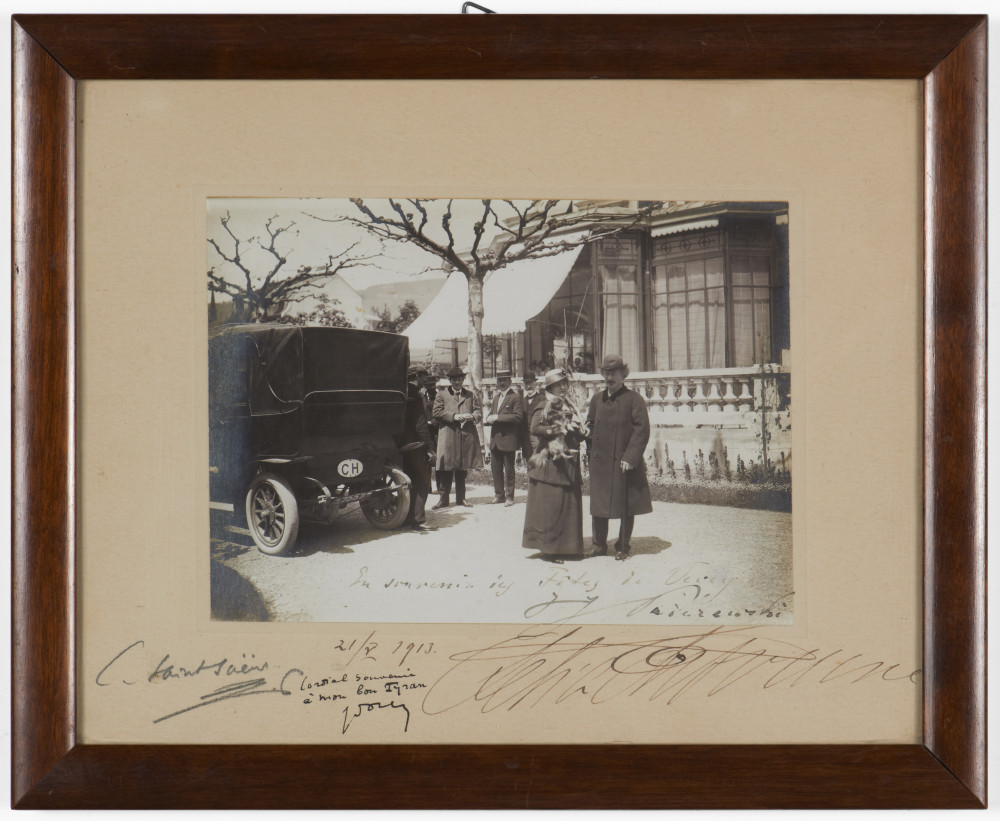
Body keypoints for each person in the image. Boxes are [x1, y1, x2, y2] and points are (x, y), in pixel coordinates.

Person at [585, 354, 653, 560]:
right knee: (598, 505)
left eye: (613, 373)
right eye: (606, 373)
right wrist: (586, 432)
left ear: (623, 374)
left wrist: (630, 457)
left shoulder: (634, 400)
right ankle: (599, 544)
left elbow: (642, 431)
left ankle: (623, 544)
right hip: (601, 462)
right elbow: (591, 424)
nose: (609, 377)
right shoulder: (597, 399)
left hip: (623, 462)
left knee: (626, 504)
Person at [522, 369, 587, 563]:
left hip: (568, 460)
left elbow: (574, 428)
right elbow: (535, 428)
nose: (563, 387)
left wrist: (581, 431)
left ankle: (569, 547)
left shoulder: (570, 404)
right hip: (551, 463)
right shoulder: (544, 403)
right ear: (550, 386)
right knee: (552, 505)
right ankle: (550, 549)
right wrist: (555, 430)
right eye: (559, 384)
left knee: (569, 503)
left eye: (565, 383)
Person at [432, 367, 482, 508]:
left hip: (465, 436)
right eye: (454, 380)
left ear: (463, 380)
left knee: (462, 469)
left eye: (459, 379)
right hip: (448, 436)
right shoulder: (442, 394)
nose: (457, 382)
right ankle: (443, 499)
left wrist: (472, 416)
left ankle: (461, 498)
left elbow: (478, 410)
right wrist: (454, 416)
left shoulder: (470, 395)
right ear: (450, 381)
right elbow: (436, 412)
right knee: (446, 469)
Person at [401, 366, 434, 528]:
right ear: (416, 377)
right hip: (415, 444)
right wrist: (429, 447)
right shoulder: (415, 395)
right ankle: (417, 518)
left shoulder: (397, 393)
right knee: (422, 479)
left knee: (405, 481)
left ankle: (404, 517)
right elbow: (420, 425)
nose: (425, 381)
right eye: (423, 377)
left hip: (397, 444)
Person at [485, 369, 524, 506]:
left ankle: (509, 496)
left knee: (509, 469)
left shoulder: (515, 397)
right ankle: (499, 494)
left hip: (508, 438)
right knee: (495, 468)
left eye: (504, 380)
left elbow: (518, 417)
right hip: (495, 438)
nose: (501, 383)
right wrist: (489, 417)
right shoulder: (496, 397)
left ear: (510, 381)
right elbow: (491, 413)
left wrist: (498, 417)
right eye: (499, 380)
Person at [519, 371, 545, 464]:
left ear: (535, 383)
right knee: (529, 462)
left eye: (530, 383)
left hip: (538, 437)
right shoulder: (521, 401)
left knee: (539, 460)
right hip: (526, 437)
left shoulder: (542, 399)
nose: (528, 386)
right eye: (526, 383)